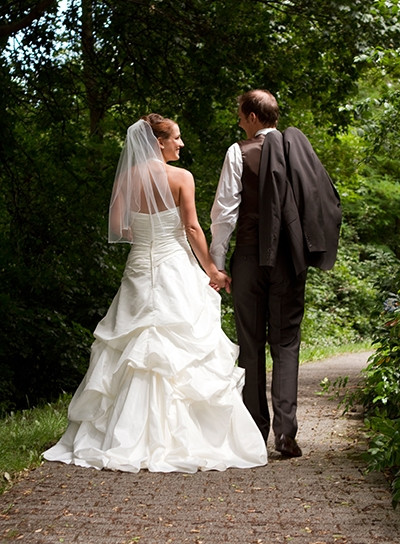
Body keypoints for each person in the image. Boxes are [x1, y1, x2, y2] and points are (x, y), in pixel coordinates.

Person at [43, 114, 267, 473]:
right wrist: (213, 270)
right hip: (174, 265)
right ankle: (183, 437)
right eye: (175, 138)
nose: (180, 144)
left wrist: (147, 235)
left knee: (132, 348)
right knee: (180, 347)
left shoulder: (127, 178)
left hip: (139, 267)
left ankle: (121, 435)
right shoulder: (180, 177)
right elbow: (192, 227)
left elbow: (118, 227)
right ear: (158, 142)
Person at [210, 90, 342, 458]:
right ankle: (286, 435)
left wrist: (218, 263)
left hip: (251, 258)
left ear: (253, 117)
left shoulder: (239, 152)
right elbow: (323, 200)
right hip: (289, 262)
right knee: (286, 344)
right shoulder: (301, 154)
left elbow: (225, 213)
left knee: (250, 345)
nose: (238, 120)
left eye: (240, 114)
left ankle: (255, 433)